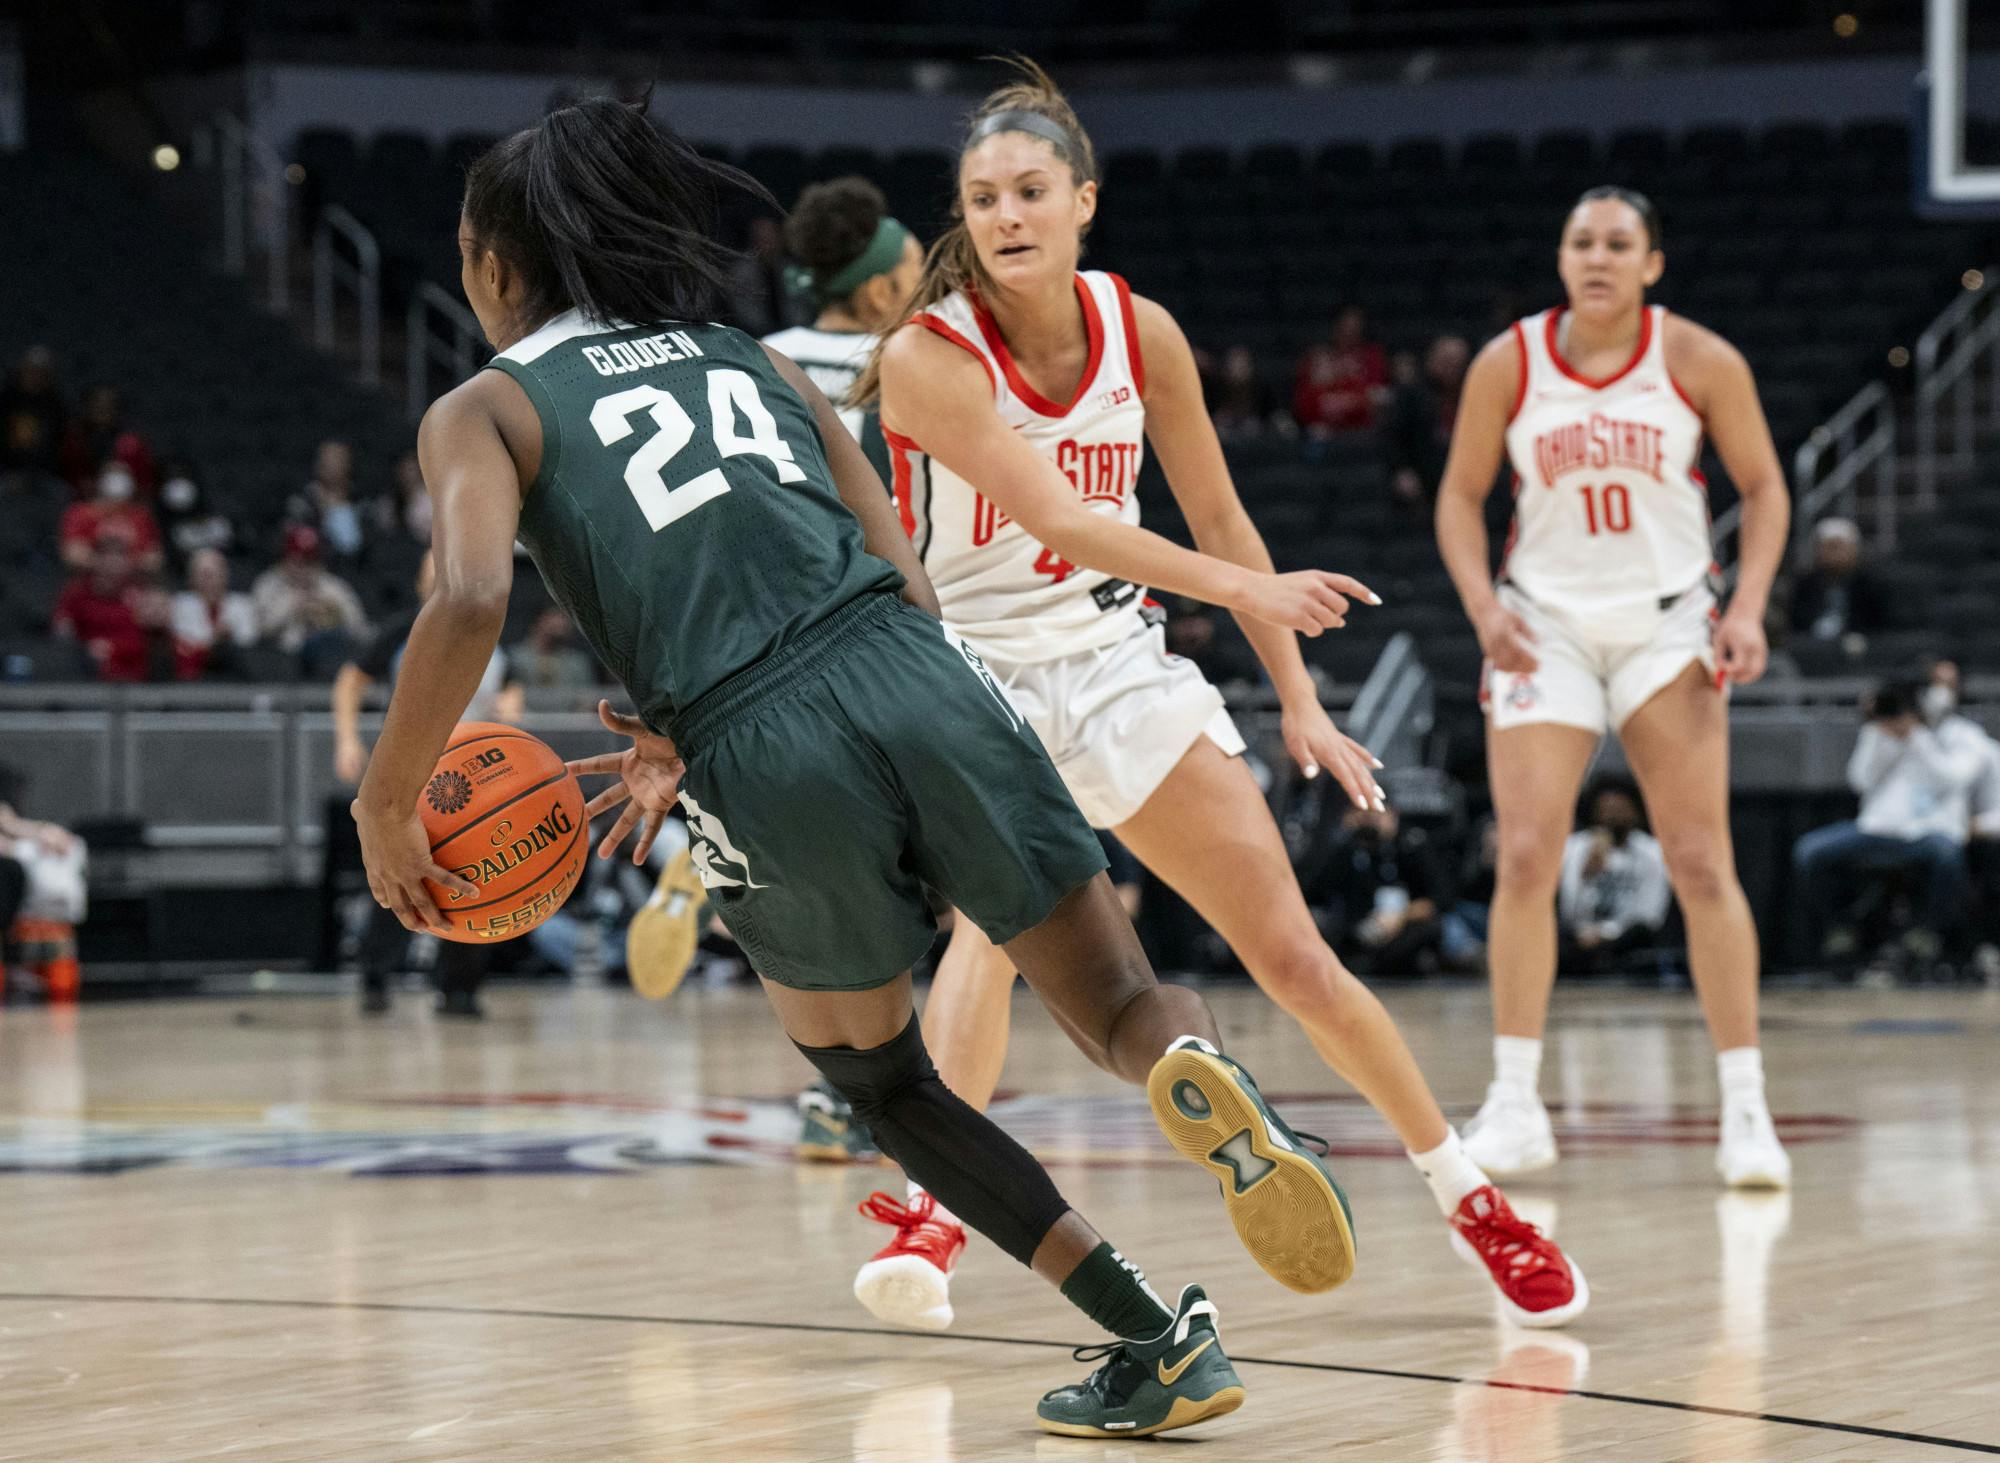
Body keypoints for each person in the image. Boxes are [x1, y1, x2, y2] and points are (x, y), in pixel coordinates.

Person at [350, 95, 1370, 1439]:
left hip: (756, 743)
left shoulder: (483, 407)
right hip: (918, 667)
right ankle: (1190, 1062)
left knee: (883, 1079)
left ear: (492, 262)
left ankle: (1149, 1330)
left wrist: (384, 800)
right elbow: (898, 559)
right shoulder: (741, 352)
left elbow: (470, 599)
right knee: (1117, 994)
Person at [840, 60, 1585, 1335]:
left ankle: (1471, 1197)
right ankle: (936, 1212)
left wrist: (1295, 696)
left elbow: (1223, 515)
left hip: (1117, 659)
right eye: (981, 197)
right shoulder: (922, 356)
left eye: (1029, 190)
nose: (1006, 216)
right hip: (974, 671)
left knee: (1293, 953)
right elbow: (1065, 516)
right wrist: (1259, 587)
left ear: (1084, 199)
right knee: (988, 934)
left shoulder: (1146, 331)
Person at [1434, 186, 1793, 1188]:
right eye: (1579, 241)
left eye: (1616, 243)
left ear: (1650, 263)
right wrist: (1481, 608)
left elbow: (1763, 488)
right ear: (1559, 257)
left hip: (1666, 622)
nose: (1595, 256)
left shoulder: (1697, 359)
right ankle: (1513, 1102)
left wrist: (1749, 605)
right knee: (1519, 853)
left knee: (1696, 856)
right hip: (1540, 621)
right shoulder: (1508, 360)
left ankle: (1745, 1105)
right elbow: (1460, 498)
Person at [335, 552, 522, 1016]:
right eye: (434, 569)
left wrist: (513, 717)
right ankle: (376, 975)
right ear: (422, 584)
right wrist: (346, 738)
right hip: (413, 770)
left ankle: (460, 987)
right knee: (397, 867)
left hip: (472, 776)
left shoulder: (490, 633)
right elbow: (349, 680)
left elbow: (512, 684)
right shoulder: (404, 631)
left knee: (472, 874)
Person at [1790, 676, 1986, 971]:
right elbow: (1860, 780)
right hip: (1875, 829)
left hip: (1927, 831)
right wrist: (1885, 738)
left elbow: (1953, 779)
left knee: (1948, 856)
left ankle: (1926, 932)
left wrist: (1916, 738)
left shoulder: (1960, 735)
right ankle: (1841, 926)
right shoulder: (1877, 733)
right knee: (1809, 851)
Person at [765, 176, 925, 484]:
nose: (927, 288)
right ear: (880, 293)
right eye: (918, 269)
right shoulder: (906, 363)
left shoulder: (764, 354)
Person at [1305, 804, 1449, 977]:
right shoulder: (1347, 849)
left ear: (1392, 815)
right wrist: (1345, 837)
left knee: (1432, 927)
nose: (1369, 823)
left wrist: (1401, 917)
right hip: (1356, 927)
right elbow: (1313, 889)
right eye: (1362, 816)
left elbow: (1440, 896)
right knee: (1318, 921)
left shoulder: (1411, 844)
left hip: (1401, 925)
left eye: (1375, 816)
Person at [1557, 777, 1671, 975]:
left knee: (1640, 934)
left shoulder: (1653, 852)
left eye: (1620, 809)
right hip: (1578, 936)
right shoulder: (1573, 848)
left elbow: (1652, 915)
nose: (1612, 816)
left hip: (1626, 937)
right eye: (1607, 809)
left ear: (1636, 812)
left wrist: (1608, 933)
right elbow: (1568, 910)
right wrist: (1587, 874)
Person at [252, 524, 370, 677]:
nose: (304, 568)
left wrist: (333, 607)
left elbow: (361, 631)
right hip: (279, 667)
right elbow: (257, 632)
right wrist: (293, 605)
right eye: (298, 561)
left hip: (328, 665)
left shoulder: (333, 587)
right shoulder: (267, 585)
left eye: (310, 561)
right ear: (286, 558)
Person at [52, 528, 166, 682]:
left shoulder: (141, 593)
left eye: (120, 556)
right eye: (106, 555)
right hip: (87, 678)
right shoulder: (77, 593)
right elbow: (62, 632)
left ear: (128, 562)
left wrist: (113, 649)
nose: (112, 562)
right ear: (96, 559)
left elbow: (146, 642)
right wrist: (83, 650)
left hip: (135, 681)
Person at [1387, 334, 1469, 506]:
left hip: (1462, 473)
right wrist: (1402, 470)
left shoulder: (1470, 392)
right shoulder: (1412, 394)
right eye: (1447, 361)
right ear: (1432, 360)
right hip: (1423, 473)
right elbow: (1394, 436)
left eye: (1458, 363)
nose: (1452, 368)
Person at [1788, 517, 1888, 646]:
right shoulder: (1805, 585)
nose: (1834, 554)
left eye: (1839, 547)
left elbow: (1878, 626)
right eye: (1829, 547)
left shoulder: (1870, 584)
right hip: (1812, 648)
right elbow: (1797, 623)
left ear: (1854, 550)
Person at [1292, 305, 1387, 434]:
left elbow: (1372, 398)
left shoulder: (1368, 359)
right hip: (1322, 435)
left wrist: (1346, 402)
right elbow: (1304, 410)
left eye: (1355, 327)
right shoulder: (1319, 359)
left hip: (1358, 434)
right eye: (1346, 326)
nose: (1350, 331)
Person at [169, 547, 259, 681]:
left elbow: (250, 640)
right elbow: (185, 645)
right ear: (192, 578)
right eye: (204, 575)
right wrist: (216, 640)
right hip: (195, 677)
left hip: (238, 674)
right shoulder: (179, 605)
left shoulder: (243, 605)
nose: (209, 580)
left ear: (225, 575)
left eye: (214, 574)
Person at [58, 462, 163, 573]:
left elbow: (154, 557)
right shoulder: (81, 514)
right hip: (92, 581)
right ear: (100, 482)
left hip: (133, 581)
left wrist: (124, 565)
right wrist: (106, 565)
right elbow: (73, 553)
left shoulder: (140, 516)